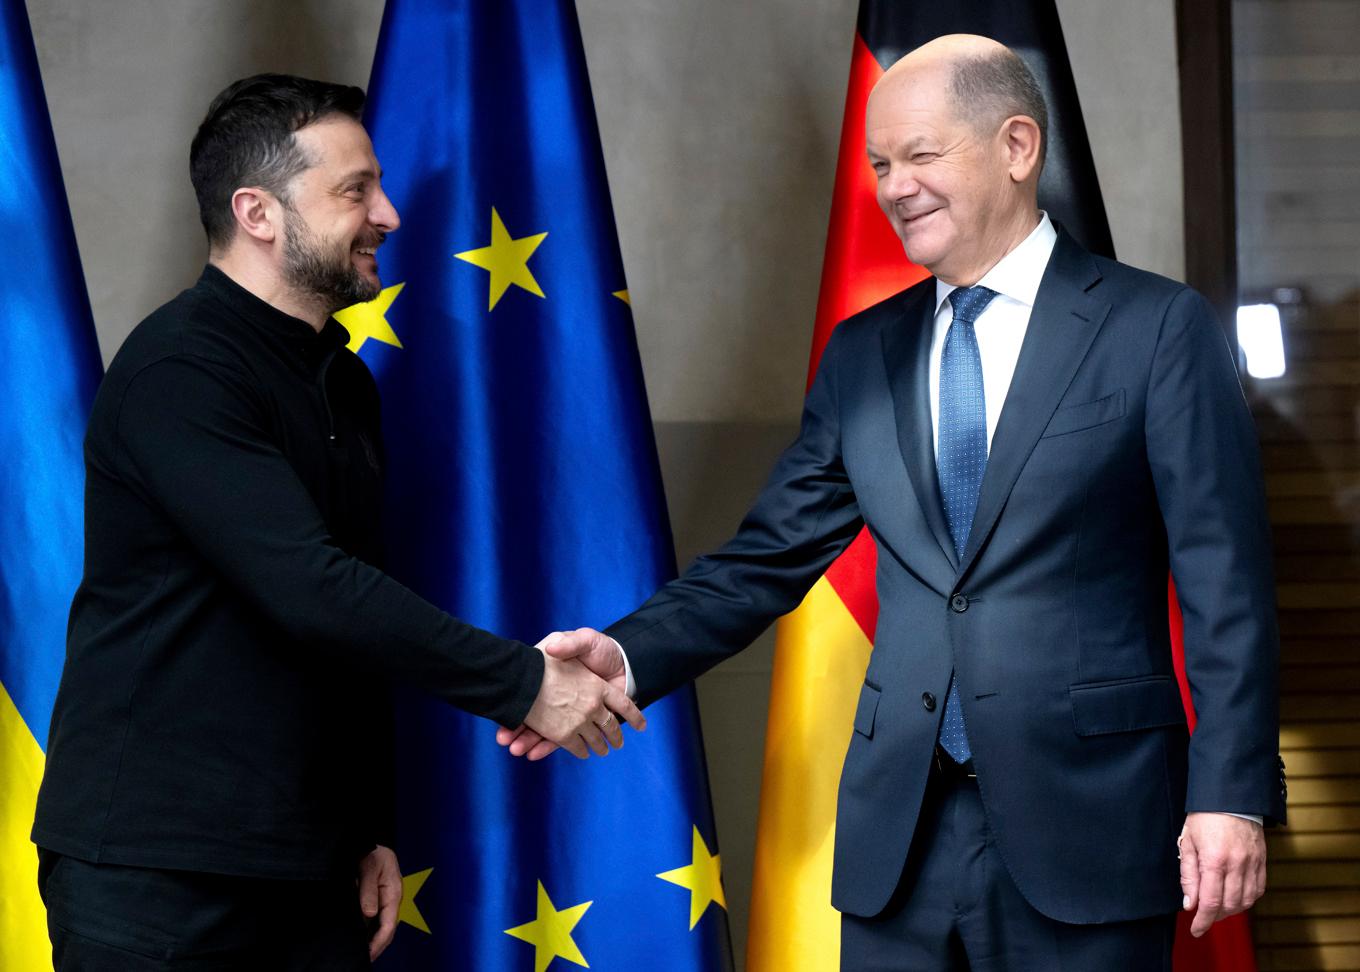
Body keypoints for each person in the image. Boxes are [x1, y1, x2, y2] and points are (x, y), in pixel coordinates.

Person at [499, 35, 1286, 970]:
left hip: (1092, 824)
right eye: (879, 163)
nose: (894, 185)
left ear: (1018, 146)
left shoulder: (1155, 328)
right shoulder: (862, 353)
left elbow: (1225, 580)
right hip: (897, 842)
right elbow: (765, 559)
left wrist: (1229, 793)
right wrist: (624, 653)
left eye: (920, 155)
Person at [31, 74, 642, 971]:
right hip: (153, 870)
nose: (388, 215)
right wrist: (524, 683)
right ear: (258, 212)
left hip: (310, 862)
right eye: (355, 190)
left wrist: (369, 827)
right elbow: (311, 588)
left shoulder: (344, 383)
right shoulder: (179, 370)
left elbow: (353, 626)